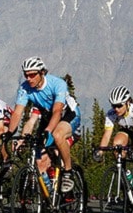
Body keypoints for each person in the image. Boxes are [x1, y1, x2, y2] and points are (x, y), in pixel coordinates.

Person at [5, 57, 81, 193]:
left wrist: (48, 131)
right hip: (48, 118)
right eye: (26, 75)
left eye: (32, 75)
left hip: (68, 115)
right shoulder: (25, 88)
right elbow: (20, 115)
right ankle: (49, 195)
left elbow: (57, 112)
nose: (28, 78)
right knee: (40, 162)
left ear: (42, 73)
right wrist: (11, 134)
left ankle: (68, 172)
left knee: (57, 135)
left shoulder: (57, 84)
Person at [98, 86, 133, 213]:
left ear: (127, 102)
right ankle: (124, 174)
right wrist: (100, 151)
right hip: (128, 130)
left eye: (119, 106)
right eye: (114, 106)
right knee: (116, 143)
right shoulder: (111, 113)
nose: (116, 109)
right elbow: (107, 134)